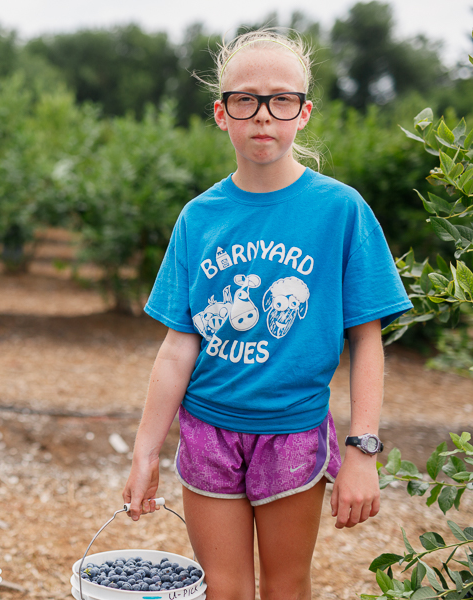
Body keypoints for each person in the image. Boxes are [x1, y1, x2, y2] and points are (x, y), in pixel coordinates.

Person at [122, 30, 412, 599]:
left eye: (281, 100)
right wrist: (145, 451)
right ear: (221, 113)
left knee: (285, 588)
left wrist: (362, 450)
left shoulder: (340, 211)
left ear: (303, 113)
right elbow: (180, 345)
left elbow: (367, 341)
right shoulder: (199, 217)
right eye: (245, 100)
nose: (263, 116)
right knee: (223, 591)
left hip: (293, 433)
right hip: (206, 431)